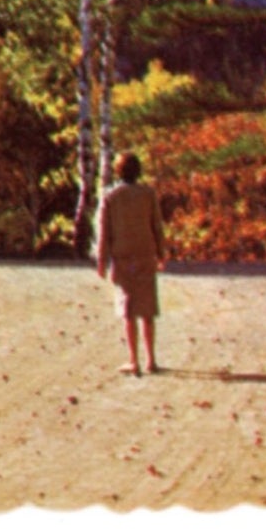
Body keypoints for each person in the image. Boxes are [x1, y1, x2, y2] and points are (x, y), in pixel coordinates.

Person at [95, 152, 166, 376]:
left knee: (128, 310)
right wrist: (161, 253)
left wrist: (101, 260)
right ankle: (151, 359)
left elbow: (104, 232)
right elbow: (157, 226)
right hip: (145, 255)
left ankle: (133, 360)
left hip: (122, 258)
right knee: (147, 310)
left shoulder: (110, 197)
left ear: (118, 171)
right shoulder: (148, 194)